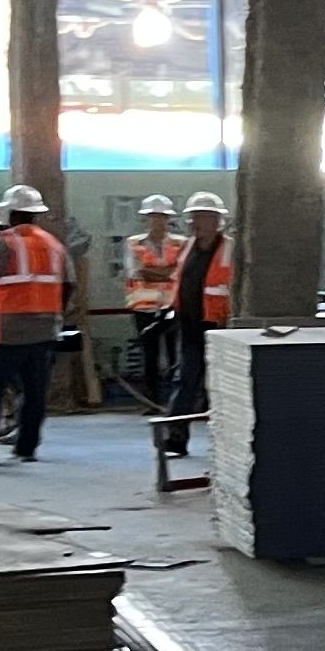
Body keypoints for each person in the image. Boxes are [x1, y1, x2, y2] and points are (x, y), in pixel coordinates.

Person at [0, 183, 68, 462]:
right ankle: (27, 446)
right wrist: (55, 312)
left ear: (10, 214)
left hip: (8, 330)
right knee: (35, 392)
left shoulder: (4, 242)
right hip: (45, 329)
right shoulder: (54, 244)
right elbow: (69, 284)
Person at [162, 191, 233, 455]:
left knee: (222, 386)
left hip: (219, 328)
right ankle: (176, 440)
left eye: (202, 218)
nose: (196, 223)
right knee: (185, 382)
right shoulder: (187, 247)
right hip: (189, 325)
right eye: (194, 218)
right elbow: (181, 283)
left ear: (217, 221)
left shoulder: (230, 250)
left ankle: (227, 444)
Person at [121, 193, 187, 411]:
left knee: (174, 355)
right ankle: (153, 401)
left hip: (172, 306)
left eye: (161, 217)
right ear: (145, 219)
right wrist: (167, 273)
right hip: (144, 309)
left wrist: (157, 272)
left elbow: (182, 272)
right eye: (153, 216)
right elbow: (137, 273)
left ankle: (175, 400)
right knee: (149, 356)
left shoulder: (181, 243)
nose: (157, 221)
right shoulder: (134, 243)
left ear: (168, 219)